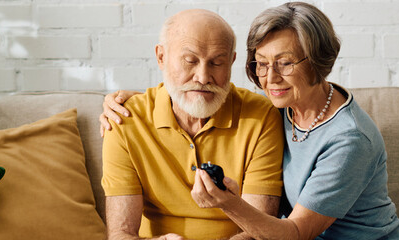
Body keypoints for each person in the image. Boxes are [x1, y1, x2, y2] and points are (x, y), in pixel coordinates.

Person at [101, 2, 399, 239]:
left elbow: (296, 233)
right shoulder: (282, 106)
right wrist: (138, 102)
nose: (271, 79)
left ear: (317, 60)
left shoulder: (348, 139)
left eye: (285, 63)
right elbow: (194, 92)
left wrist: (228, 202)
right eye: (262, 64)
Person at [100, 9, 285, 240]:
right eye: (190, 61)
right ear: (161, 57)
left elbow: (259, 231)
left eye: (217, 63)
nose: (203, 76)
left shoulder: (261, 117)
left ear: (231, 62)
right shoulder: (124, 119)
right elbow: (121, 234)